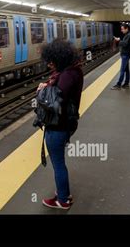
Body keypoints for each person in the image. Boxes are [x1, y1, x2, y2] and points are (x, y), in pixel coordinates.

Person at [37, 39, 83, 210]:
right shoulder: (72, 71)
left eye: (51, 61)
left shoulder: (68, 74)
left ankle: (62, 200)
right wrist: (48, 85)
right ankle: (64, 194)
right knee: (59, 162)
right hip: (64, 123)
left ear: (59, 58)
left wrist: (42, 90)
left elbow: (55, 101)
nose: (49, 65)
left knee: (58, 163)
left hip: (59, 124)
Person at [111, 24, 130, 90]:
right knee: (126, 70)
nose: (121, 30)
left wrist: (118, 40)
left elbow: (125, 44)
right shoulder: (129, 34)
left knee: (122, 70)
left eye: (122, 29)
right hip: (126, 54)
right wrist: (120, 39)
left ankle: (118, 84)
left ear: (126, 28)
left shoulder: (129, 35)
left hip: (125, 54)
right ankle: (126, 84)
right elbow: (125, 42)